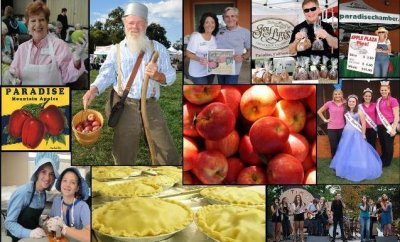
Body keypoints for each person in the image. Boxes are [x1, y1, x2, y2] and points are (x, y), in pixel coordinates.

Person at [82, 2, 180, 165]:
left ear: (146, 24)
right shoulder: (117, 49)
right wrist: (93, 89)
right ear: (124, 24)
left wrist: (158, 75)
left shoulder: (158, 48)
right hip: (125, 104)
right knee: (124, 153)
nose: (135, 27)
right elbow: (106, 74)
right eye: (131, 22)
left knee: (167, 152)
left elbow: (171, 77)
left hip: (150, 104)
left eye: (139, 22)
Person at [6, 1, 86, 85]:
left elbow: (68, 76)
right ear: (27, 25)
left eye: (41, 20)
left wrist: (76, 59)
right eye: (33, 21)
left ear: (47, 23)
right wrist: (9, 77)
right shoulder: (22, 49)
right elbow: (14, 75)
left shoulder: (59, 46)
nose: (37, 25)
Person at [5, 153, 60, 242]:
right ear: (37, 172)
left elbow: (33, 217)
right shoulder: (23, 192)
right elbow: (9, 223)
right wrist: (29, 233)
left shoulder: (43, 194)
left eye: (51, 174)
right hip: (16, 238)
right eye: (43, 172)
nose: (47, 178)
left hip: (32, 238)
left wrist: (41, 223)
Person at [330, 94, 382, 182]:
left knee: (356, 150)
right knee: (345, 149)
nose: (351, 103)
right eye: (350, 101)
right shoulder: (345, 111)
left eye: (353, 101)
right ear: (348, 102)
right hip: (346, 133)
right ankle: (345, 165)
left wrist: (363, 134)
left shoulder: (359, 111)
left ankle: (358, 166)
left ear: (356, 102)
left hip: (356, 133)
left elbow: (363, 123)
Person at [45, 167, 90, 242]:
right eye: (65, 180)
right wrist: (47, 223)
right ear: (60, 183)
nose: (67, 184)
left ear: (77, 188)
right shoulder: (56, 202)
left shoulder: (83, 206)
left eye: (72, 182)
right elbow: (50, 220)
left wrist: (64, 228)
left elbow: (89, 237)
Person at [215, 7, 250, 84]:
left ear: (237, 18)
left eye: (232, 16)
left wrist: (243, 57)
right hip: (219, 68)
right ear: (223, 19)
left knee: (230, 90)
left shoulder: (245, 32)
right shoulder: (218, 31)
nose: (230, 19)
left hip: (233, 71)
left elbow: (250, 51)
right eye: (227, 16)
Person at [186, 12, 218, 84]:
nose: (210, 25)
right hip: (197, 73)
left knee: (209, 91)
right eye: (207, 22)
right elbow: (188, 54)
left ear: (215, 24)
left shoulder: (214, 38)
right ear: (203, 24)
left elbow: (215, 54)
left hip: (211, 71)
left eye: (212, 22)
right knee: (203, 92)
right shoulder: (196, 37)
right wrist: (200, 59)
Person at [317, 83, 345, 157]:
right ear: (333, 95)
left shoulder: (345, 104)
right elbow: (319, 111)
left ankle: (340, 160)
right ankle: (334, 161)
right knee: (333, 146)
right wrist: (325, 120)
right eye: (335, 94)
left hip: (342, 128)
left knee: (341, 145)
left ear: (342, 95)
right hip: (331, 128)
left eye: (339, 94)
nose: (337, 96)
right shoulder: (329, 103)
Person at [376, 81, 399, 167]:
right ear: (380, 90)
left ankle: (387, 162)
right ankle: (383, 158)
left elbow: (396, 116)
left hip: (389, 125)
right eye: (382, 90)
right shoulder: (379, 100)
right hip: (380, 125)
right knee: (382, 143)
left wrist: (393, 128)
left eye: (385, 90)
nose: (383, 92)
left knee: (388, 144)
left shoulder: (393, 100)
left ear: (389, 90)